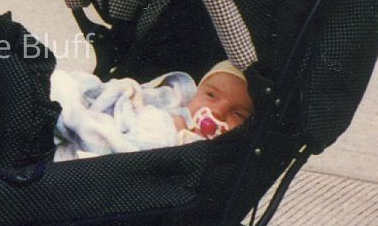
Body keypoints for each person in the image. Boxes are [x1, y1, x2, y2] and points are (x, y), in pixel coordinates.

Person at [50, 60, 254, 160]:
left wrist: (176, 136)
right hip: (113, 120)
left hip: (121, 157)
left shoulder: (210, 153)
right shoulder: (172, 104)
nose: (217, 111)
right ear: (195, 93)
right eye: (211, 95)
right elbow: (131, 100)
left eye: (237, 113)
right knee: (67, 89)